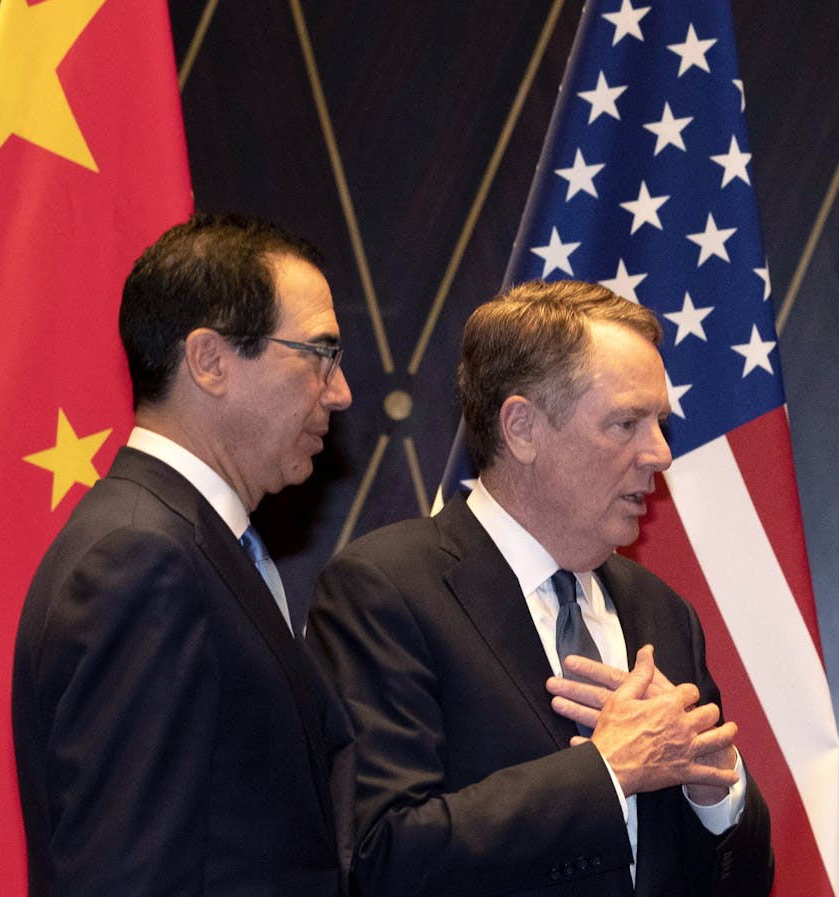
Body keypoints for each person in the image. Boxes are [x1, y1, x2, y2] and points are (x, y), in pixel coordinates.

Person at [307, 279, 774, 897]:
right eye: (626, 423)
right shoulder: (386, 591)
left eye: (659, 423)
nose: (660, 453)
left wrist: (718, 789)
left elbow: (742, 884)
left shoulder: (662, 614)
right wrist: (606, 772)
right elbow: (383, 857)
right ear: (522, 428)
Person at [12, 213, 355, 896]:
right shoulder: (142, 560)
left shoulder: (188, 543)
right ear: (210, 360)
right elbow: (126, 876)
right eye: (319, 353)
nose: (339, 392)